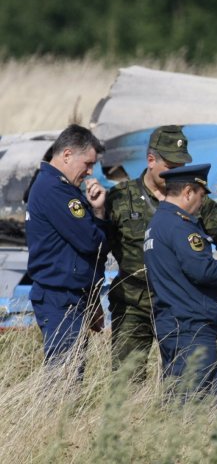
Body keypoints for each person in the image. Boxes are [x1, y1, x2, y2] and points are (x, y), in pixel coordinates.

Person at [105, 125, 217, 379]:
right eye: (170, 166)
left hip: (177, 304)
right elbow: (101, 246)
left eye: (180, 166)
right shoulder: (121, 198)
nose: (176, 172)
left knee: (182, 377)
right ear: (151, 160)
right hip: (134, 302)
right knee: (126, 378)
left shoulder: (191, 195)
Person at [143, 163, 217, 398]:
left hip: (175, 325)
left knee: (181, 399)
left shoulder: (159, 223)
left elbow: (185, 281)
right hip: (191, 329)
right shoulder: (180, 227)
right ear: (188, 192)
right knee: (200, 404)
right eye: (201, 196)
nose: (202, 203)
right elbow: (202, 270)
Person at [25, 124, 109, 367]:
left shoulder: (60, 188)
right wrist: (101, 217)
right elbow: (91, 243)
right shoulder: (55, 190)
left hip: (70, 296)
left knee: (70, 376)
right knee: (64, 380)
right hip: (61, 299)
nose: (90, 172)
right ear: (67, 154)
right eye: (87, 164)